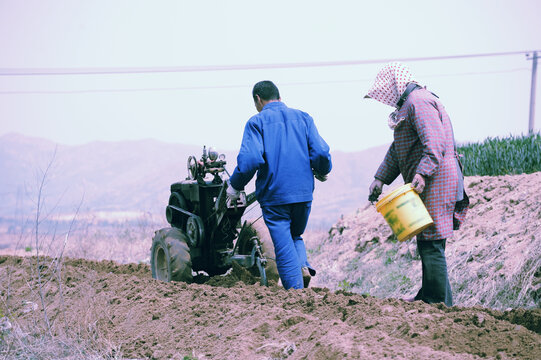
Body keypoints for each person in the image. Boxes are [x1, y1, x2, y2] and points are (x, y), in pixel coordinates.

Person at [365, 62, 468, 306]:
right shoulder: (410, 105)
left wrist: (422, 173)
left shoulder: (418, 102)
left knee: (431, 241)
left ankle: (434, 303)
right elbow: (398, 149)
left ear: (395, 84)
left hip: (437, 178)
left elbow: (434, 144)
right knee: (430, 242)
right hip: (433, 178)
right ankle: (442, 302)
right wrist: (380, 179)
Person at [226, 80, 332, 289]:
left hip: (275, 196)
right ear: (279, 96)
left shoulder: (257, 122)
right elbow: (320, 152)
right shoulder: (303, 117)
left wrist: (235, 185)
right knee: (295, 235)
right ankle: (302, 266)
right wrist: (321, 170)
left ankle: (295, 295)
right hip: (303, 194)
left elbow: (250, 160)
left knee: (283, 247)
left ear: (258, 99)